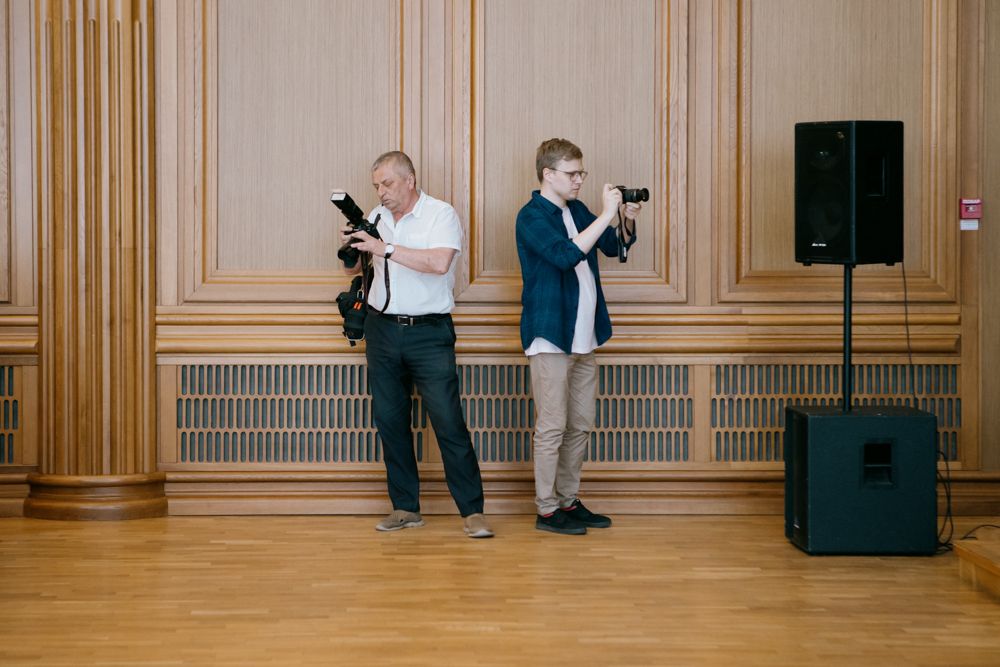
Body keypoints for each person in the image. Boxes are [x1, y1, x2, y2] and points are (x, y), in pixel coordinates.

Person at [341, 151, 493, 538]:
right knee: (390, 422)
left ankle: (472, 512)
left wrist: (385, 248)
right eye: (376, 185)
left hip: (429, 333)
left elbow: (439, 263)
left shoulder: (440, 214)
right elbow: (355, 269)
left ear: (409, 180)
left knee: (448, 422)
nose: (381, 192)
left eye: (387, 183)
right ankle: (405, 508)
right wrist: (353, 247)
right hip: (382, 331)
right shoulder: (375, 217)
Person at [515, 138, 640, 535]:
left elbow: (613, 245)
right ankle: (547, 509)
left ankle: (567, 500)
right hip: (551, 335)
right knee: (552, 426)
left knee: (580, 424)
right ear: (548, 174)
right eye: (572, 174)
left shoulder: (579, 210)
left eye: (581, 173)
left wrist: (624, 218)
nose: (579, 180)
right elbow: (566, 256)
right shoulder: (531, 216)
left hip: (585, 336)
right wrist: (606, 214)